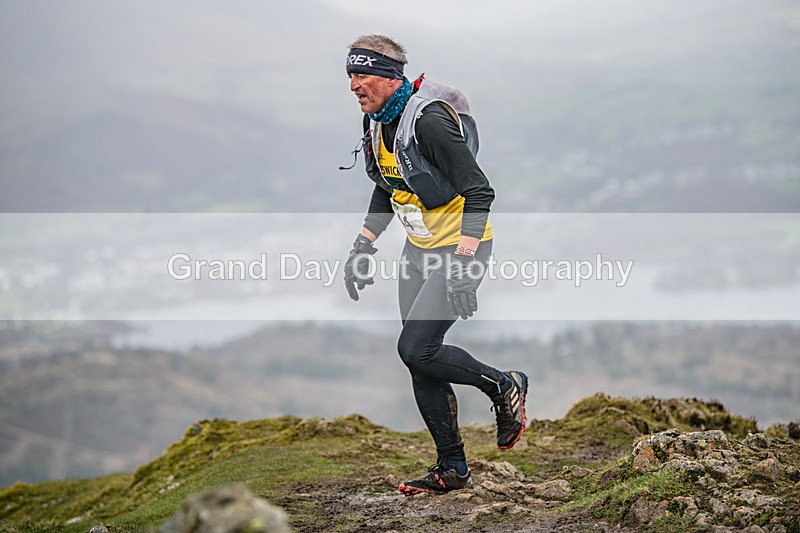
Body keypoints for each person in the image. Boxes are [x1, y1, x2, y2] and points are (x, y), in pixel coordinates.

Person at [342, 34, 528, 495]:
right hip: (419, 251)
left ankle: (503, 384)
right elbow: (387, 185)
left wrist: (464, 261)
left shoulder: (427, 122)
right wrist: (363, 244)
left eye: (361, 74)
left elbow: (480, 191)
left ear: (389, 76)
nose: (353, 85)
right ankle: (452, 469)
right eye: (349, 75)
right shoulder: (377, 121)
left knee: (416, 348)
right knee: (420, 362)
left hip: (461, 247)